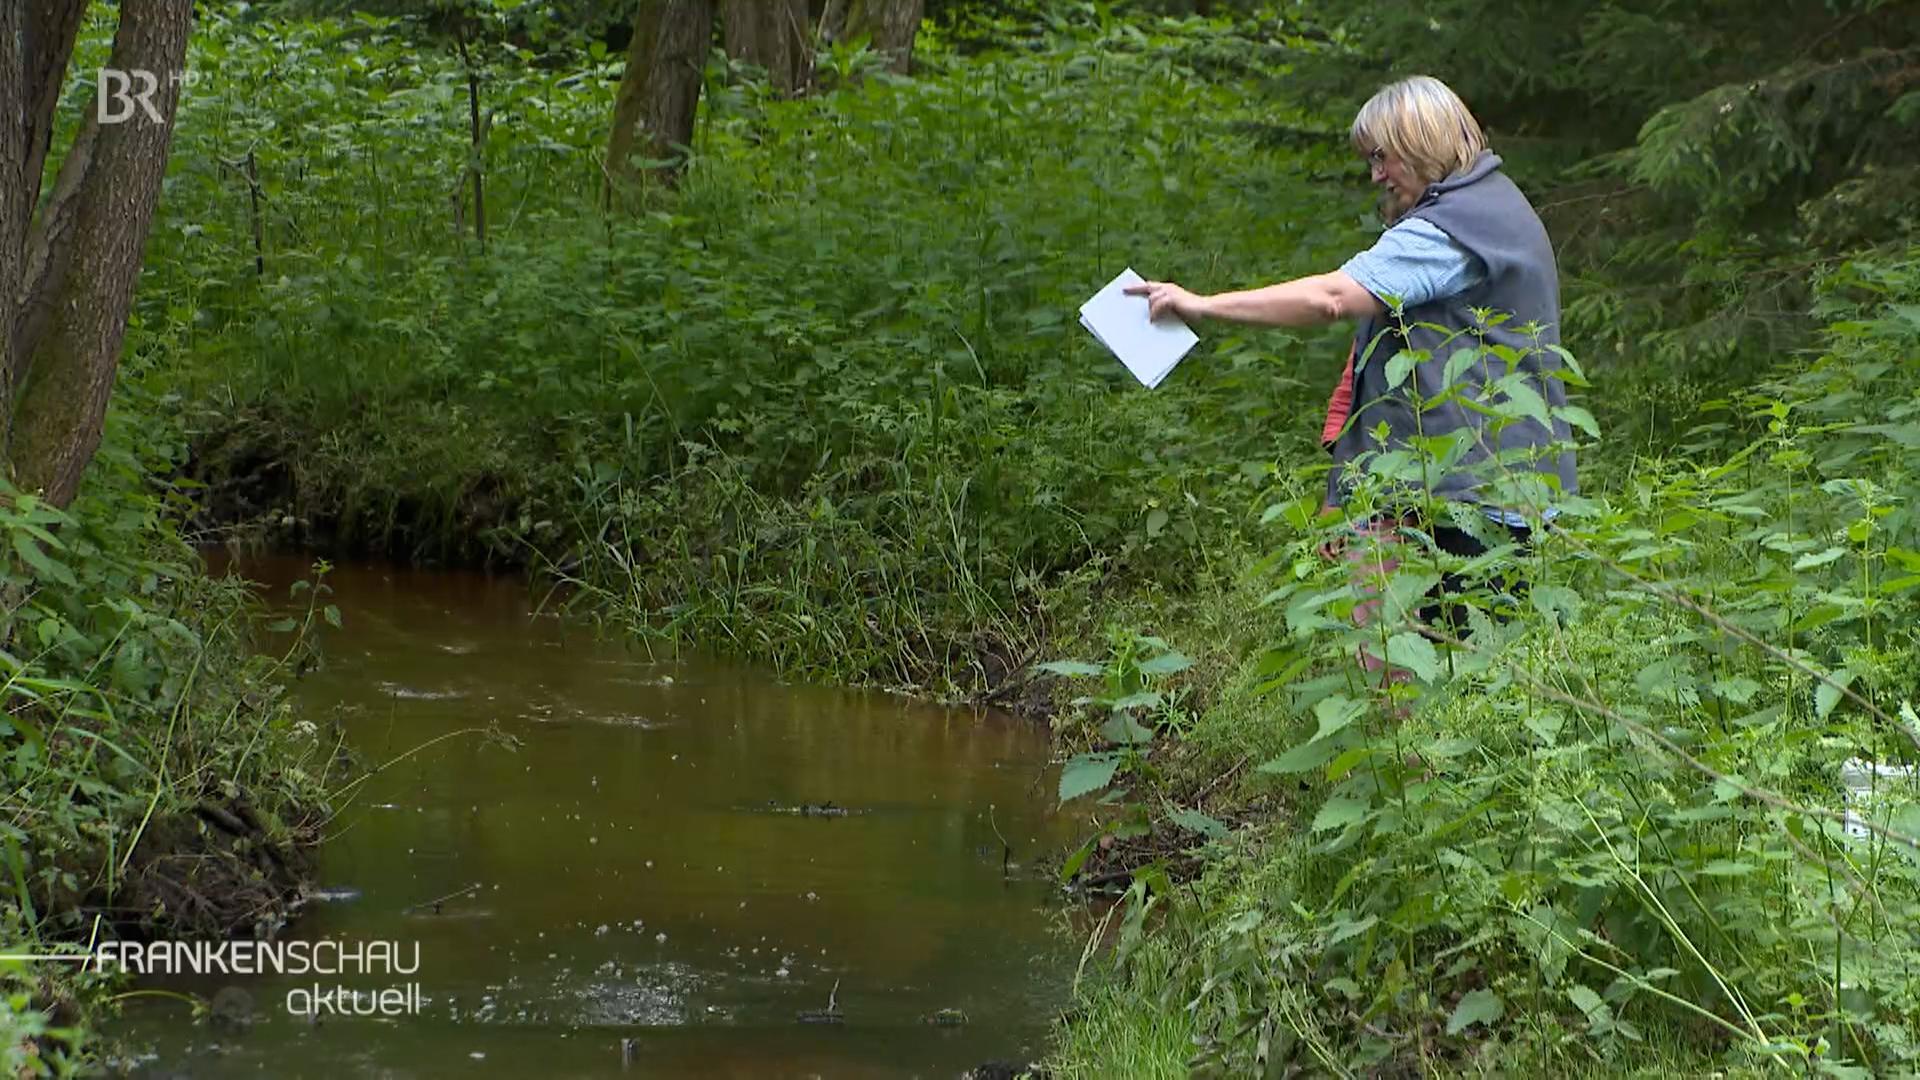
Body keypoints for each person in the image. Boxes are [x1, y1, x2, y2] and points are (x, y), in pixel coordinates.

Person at [1126, 74, 1577, 637]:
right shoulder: (1493, 207)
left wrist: (1202, 304)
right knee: (1473, 680)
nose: (1375, 175)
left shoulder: (1455, 228)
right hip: (1495, 485)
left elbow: (1332, 298)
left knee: (1404, 664)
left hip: (1465, 498)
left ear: (1422, 139)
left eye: (1381, 156)